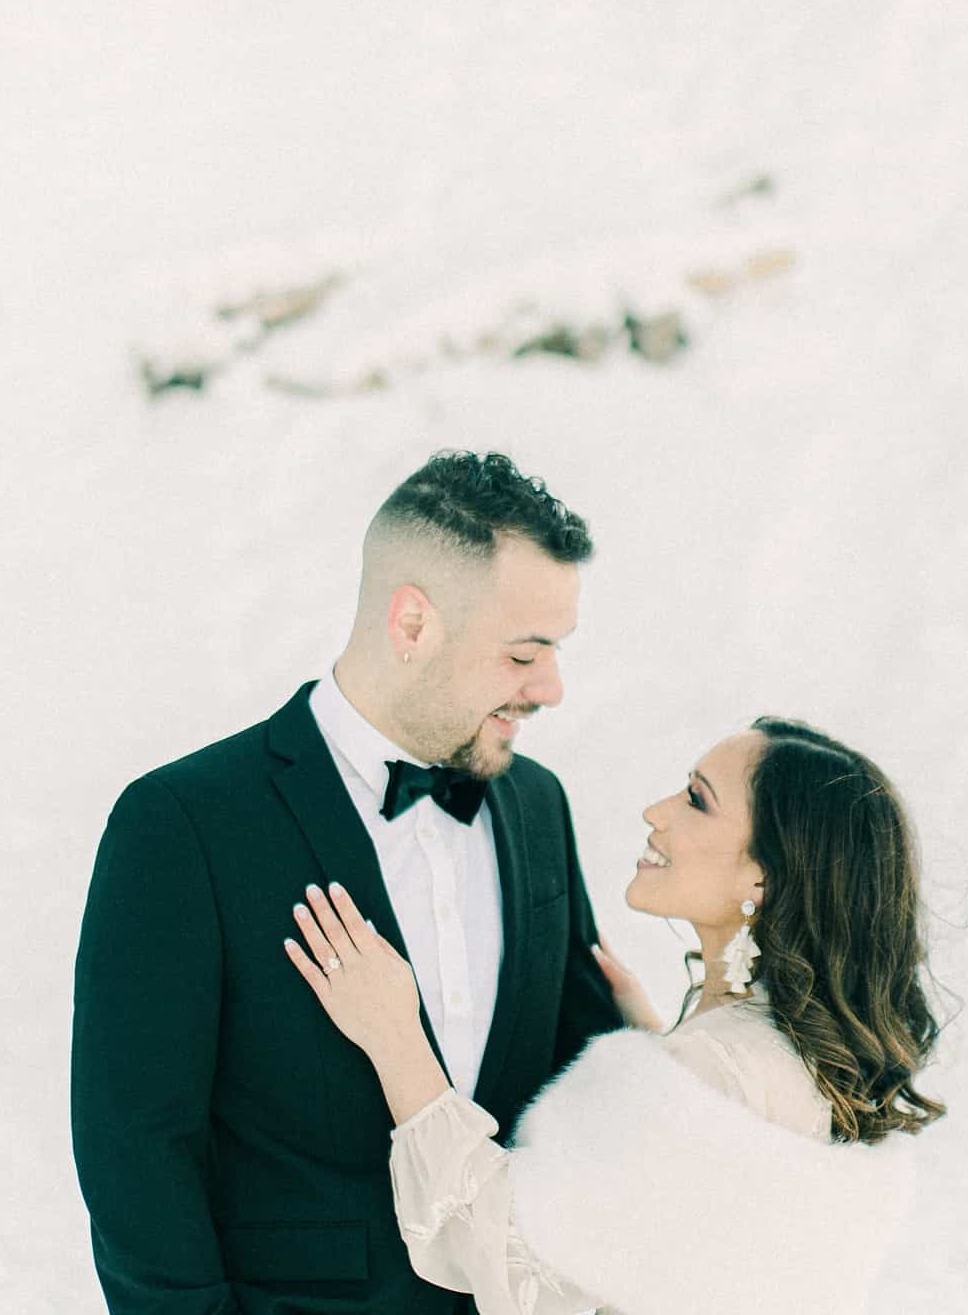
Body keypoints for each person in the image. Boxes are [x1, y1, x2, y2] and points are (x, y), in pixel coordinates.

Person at [71, 451, 622, 1314]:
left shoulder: (537, 805)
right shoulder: (184, 822)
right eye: (524, 653)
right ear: (412, 624)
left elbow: (575, 1079)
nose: (550, 687)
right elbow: (136, 1147)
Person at [281, 718, 944, 1315]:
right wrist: (656, 1055)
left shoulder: (708, 1071)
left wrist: (396, 1036)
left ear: (761, 881)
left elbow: (511, 1263)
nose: (656, 813)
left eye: (696, 800)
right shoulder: (785, 1055)